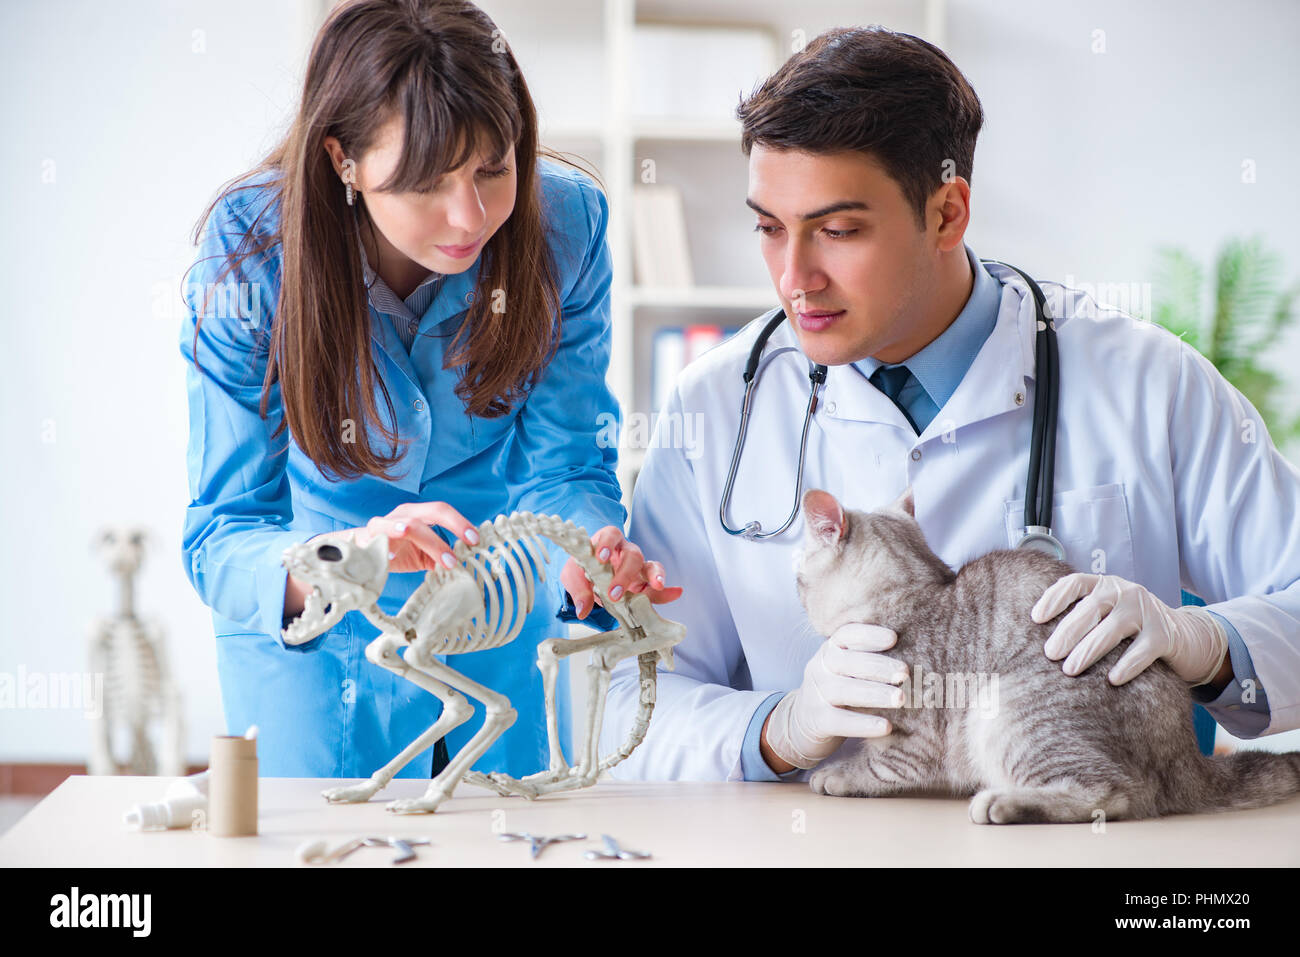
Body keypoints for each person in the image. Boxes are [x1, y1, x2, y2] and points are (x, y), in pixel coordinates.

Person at [600, 26, 1300, 781]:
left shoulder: (1146, 381)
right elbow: (626, 705)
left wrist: (1209, 641)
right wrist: (777, 729)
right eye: (770, 228)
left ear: (947, 213)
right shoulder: (716, 407)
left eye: (837, 230)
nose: (794, 277)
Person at [180, 0, 677, 779]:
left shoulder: (567, 231)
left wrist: (587, 549)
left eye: (494, 167)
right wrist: (353, 557)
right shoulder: (252, 254)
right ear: (343, 160)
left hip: (496, 630)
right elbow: (223, 531)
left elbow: (568, 466)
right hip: (318, 635)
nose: (469, 216)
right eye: (425, 184)